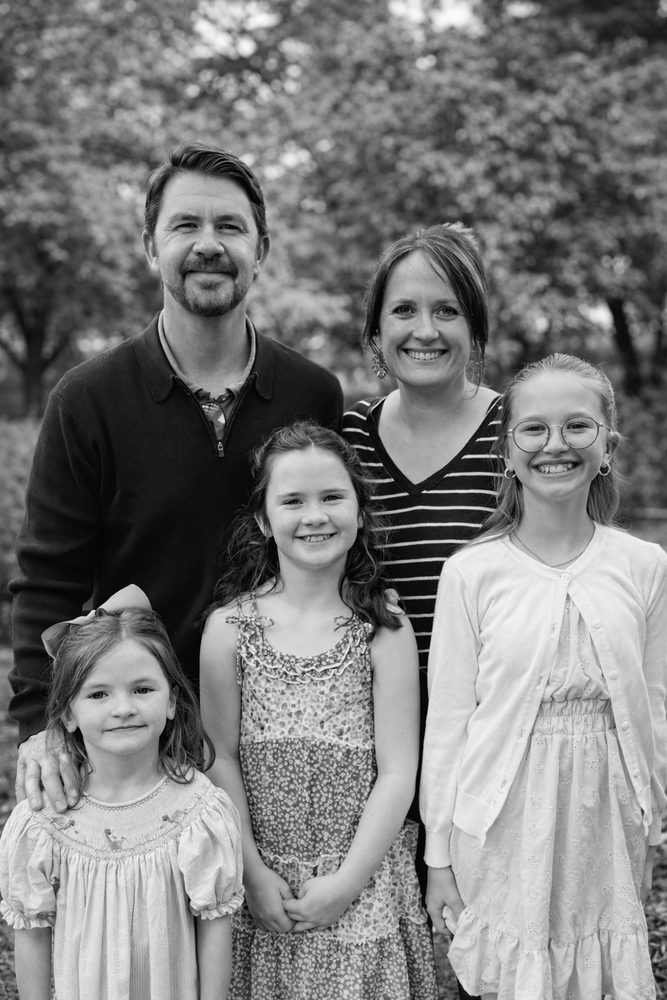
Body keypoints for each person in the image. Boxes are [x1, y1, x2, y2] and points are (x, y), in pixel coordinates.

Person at [9, 141, 343, 813]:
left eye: (229, 228)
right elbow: (49, 581)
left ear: (262, 247)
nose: (208, 245)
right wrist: (40, 725)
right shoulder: (88, 400)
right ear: (149, 246)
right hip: (134, 735)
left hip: (283, 734)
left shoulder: (311, 394)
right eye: (185, 226)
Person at [420, 354, 667, 999]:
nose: (555, 445)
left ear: (607, 446)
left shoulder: (644, 566)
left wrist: (652, 817)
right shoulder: (472, 573)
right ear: (507, 450)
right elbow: (447, 722)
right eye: (533, 429)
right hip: (501, 819)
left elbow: (656, 707)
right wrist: (438, 856)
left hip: (606, 818)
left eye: (577, 426)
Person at [200, 421, 438, 999]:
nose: (315, 516)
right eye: (293, 501)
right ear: (263, 519)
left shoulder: (383, 627)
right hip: (265, 885)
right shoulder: (230, 629)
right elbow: (219, 757)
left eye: (333, 497)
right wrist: (252, 873)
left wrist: (348, 882)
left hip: (362, 881)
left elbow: (399, 771)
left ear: (360, 510)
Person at [343, 222, 501, 1000]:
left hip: (488, 749)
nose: (424, 330)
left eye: (446, 310)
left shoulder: (519, 434)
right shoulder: (348, 439)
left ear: (474, 326)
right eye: (403, 311)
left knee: (484, 958)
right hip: (372, 750)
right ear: (375, 331)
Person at [0, 586, 243, 1000]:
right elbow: (32, 936)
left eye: (143, 689)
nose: (123, 707)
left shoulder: (199, 811)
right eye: (99, 694)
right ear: (66, 715)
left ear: (171, 701)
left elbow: (215, 934)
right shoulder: (44, 820)